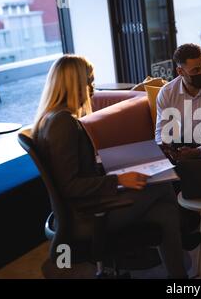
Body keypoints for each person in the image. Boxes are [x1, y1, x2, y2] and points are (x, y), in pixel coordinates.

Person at [32, 55, 190, 279]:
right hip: (87, 217)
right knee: (163, 186)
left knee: (165, 213)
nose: (92, 87)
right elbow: (69, 186)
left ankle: (180, 276)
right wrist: (119, 180)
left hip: (85, 207)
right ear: (75, 83)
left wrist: (114, 165)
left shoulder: (50, 120)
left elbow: (74, 172)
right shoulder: (63, 124)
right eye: (90, 80)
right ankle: (189, 231)